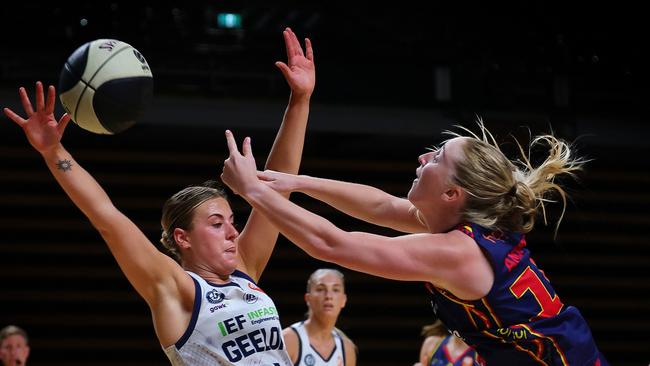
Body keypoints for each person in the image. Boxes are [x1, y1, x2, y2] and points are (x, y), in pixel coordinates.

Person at [3, 27, 314, 365]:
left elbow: (278, 192)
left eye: (231, 221)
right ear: (183, 238)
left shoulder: (243, 270)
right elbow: (107, 217)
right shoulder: (175, 287)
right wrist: (52, 151)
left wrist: (300, 101)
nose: (232, 232)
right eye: (215, 223)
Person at [220, 121, 609, 365]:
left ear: (452, 194)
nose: (423, 157)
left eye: (437, 158)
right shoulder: (469, 225)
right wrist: (293, 182)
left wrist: (253, 191)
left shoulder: (457, 253)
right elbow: (382, 205)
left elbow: (332, 244)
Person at [283, 268, 357, 366]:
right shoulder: (288, 339)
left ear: (343, 300)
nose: (328, 296)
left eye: (335, 290)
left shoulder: (347, 349)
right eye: (320, 289)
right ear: (308, 298)